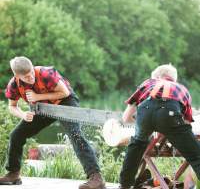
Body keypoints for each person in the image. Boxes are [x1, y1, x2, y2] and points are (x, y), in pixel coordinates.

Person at [0, 56, 105, 189]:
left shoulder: (46, 73)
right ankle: (13, 174)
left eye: (32, 72)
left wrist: (38, 97)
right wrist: (23, 114)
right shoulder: (13, 85)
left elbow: (65, 92)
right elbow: (12, 106)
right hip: (43, 108)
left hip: (65, 102)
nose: (31, 77)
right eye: (26, 77)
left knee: (75, 135)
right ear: (17, 76)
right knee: (16, 134)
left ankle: (96, 178)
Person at [118, 64, 200, 189]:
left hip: (145, 111)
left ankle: (124, 185)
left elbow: (126, 118)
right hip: (170, 113)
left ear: (156, 77)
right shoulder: (181, 89)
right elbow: (187, 123)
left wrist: (142, 125)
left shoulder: (148, 83)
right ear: (174, 79)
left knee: (136, 146)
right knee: (196, 155)